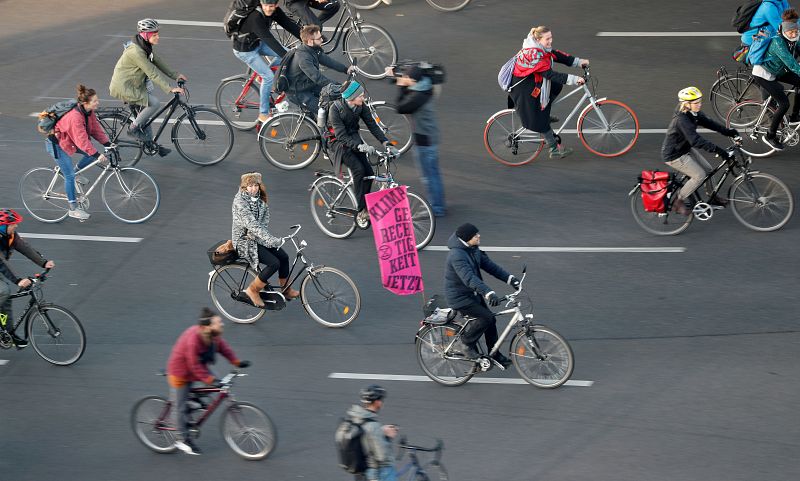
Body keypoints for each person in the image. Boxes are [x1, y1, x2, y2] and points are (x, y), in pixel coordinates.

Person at [166, 307, 250, 455]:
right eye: (218, 322)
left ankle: (194, 401)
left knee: (218, 385)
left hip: (198, 366)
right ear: (207, 327)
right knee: (180, 408)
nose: (222, 324)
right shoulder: (193, 341)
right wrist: (210, 379)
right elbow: (193, 366)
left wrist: (236, 362)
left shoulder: (213, 335)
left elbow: (223, 348)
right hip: (181, 373)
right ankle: (182, 439)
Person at [508, 26, 590, 159]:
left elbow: (556, 54)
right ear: (538, 39)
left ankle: (544, 115)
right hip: (523, 88)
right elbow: (550, 74)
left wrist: (579, 62)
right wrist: (575, 79)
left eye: (551, 37)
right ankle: (554, 149)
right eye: (548, 39)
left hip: (532, 82)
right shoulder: (534, 55)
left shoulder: (540, 47)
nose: (550, 41)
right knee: (540, 118)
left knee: (556, 86)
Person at [443, 223, 519, 366]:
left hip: (472, 294)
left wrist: (510, 279)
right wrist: (488, 293)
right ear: (467, 238)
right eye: (475, 235)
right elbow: (469, 278)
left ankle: (494, 354)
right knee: (486, 317)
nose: (479, 236)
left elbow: (491, 267)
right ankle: (465, 344)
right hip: (460, 297)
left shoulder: (473, 249)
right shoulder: (457, 256)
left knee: (491, 320)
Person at [109, 18, 187, 154]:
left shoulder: (144, 46)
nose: (158, 37)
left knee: (146, 116)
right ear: (145, 35)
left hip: (135, 85)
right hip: (125, 87)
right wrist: (169, 88)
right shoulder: (136, 52)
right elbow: (152, 72)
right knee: (155, 104)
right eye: (154, 35)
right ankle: (133, 128)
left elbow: (158, 61)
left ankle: (150, 144)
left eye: (157, 33)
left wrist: (175, 75)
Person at [661, 87, 740, 215]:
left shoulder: (693, 113)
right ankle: (679, 200)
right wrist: (719, 150)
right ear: (687, 104)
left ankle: (712, 197)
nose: (700, 104)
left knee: (708, 170)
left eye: (700, 101)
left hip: (684, 149)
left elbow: (711, 124)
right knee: (699, 176)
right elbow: (696, 140)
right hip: (674, 155)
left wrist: (729, 132)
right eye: (696, 103)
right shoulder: (682, 119)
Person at [328, 80, 396, 229]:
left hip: (354, 140)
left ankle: (364, 206)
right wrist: (360, 146)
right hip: (339, 144)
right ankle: (360, 210)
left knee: (369, 173)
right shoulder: (335, 109)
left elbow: (372, 124)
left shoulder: (360, 107)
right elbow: (340, 136)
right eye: (360, 96)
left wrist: (386, 142)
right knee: (359, 170)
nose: (363, 98)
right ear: (351, 98)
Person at [232, 172, 300, 308]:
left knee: (283, 257)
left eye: (256, 185)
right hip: (244, 241)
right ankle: (253, 290)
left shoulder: (260, 200)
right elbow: (252, 225)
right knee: (274, 263)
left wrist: (269, 241)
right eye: (250, 186)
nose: (253, 188)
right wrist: (272, 240)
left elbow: (263, 224)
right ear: (244, 187)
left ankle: (285, 289)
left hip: (257, 238)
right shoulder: (239, 202)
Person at [386, 64, 446, 217]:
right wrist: (398, 79)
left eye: (406, 77)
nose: (403, 78)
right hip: (430, 136)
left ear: (412, 80)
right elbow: (410, 91)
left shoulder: (418, 97)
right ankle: (439, 203)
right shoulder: (425, 85)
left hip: (424, 141)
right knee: (434, 173)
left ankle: (437, 208)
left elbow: (400, 107)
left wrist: (400, 85)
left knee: (428, 176)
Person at [47, 84, 112, 220]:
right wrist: (97, 154)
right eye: (95, 101)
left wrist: (107, 143)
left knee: (90, 155)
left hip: (69, 141)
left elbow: (95, 130)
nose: (98, 102)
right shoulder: (75, 117)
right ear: (85, 103)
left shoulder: (89, 112)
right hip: (59, 144)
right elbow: (82, 141)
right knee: (69, 175)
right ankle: (73, 208)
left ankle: (76, 172)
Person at [232, 0, 302, 124]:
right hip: (245, 50)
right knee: (269, 76)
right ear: (261, 4)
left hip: (257, 42)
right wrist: (285, 56)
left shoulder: (275, 11)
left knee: (290, 53)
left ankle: (261, 77)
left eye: (272, 6)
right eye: (266, 6)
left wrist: (308, 38)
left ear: (276, 5)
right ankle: (263, 114)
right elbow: (269, 39)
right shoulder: (255, 17)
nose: (269, 9)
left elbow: (289, 25)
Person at [0, 210, 56, 349]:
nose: (16, 226)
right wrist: (18, 280)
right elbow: (1, 262)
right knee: (4, 291)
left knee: (5, 300)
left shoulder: (11, 235)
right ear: (3, 226)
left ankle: (7, 334)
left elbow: (25, 248)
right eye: (13, 224)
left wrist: (43, 262)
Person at [752, 15, 800, 148]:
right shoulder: (778, 43)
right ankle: (770, 135)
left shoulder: (794, 39)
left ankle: (795, 116)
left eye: (796, 31)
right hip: (764, 75)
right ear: (784, 32)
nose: (794, 33)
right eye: (791, 32)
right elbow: (792, 64)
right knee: (784, 104)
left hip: (778, 70)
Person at [286, 24, 353, 113]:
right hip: (298, 92)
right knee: (325, 112)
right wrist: (339, 87)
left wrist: (346, 69)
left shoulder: (313, 49)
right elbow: (318, 78)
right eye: (319, 39)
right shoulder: (303, 58)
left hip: (308, 84)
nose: (322, 40)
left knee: (337, 96)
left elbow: (329, 61)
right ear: (310, 41)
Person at [344, 385, 398, 481]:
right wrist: (388, 437)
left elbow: (365, 436)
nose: (382, 403)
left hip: (361, 470)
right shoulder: (373, 426)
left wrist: (380, 432)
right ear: (377, 402)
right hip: (377, 473)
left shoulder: (356, 418)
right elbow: (382, 456)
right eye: (381, 400)